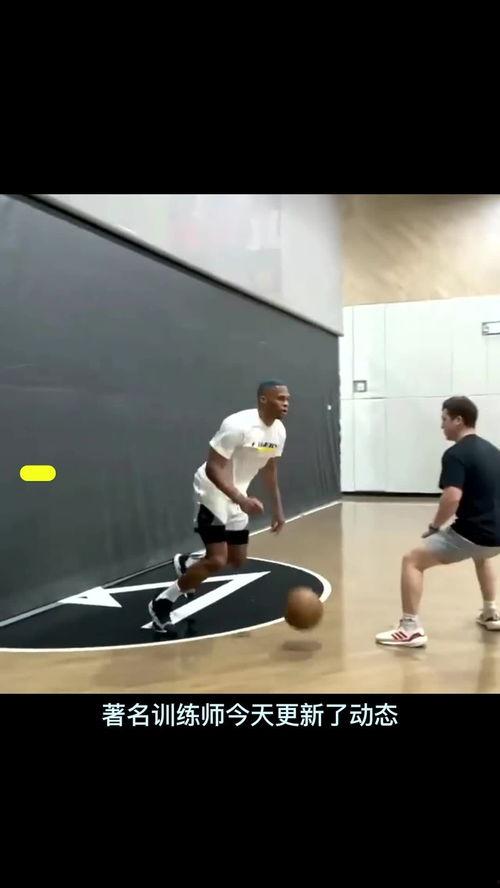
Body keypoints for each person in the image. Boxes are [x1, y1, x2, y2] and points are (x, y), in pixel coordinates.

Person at [149, 381, 290, 633]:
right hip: (212, 491)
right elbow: (213, 469)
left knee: (237, 560)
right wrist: (241, 499)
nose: (286, 403)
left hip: (238, 494)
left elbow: (270, 470)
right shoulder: (237, 425)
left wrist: (277, 508)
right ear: (263, 399)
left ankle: (188, 563)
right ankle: (161, 603)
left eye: (287, 399)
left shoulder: (278, 431)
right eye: (280, 398)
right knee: (217, 559)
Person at [376, 396, 500, 648]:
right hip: (496, 537)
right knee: (482, 556)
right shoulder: (493, 451)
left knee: (412, 561)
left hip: (473, 535)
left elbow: (452, 497)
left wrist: (434, 527)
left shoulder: (455, 454)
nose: (441, 425)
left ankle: (410, 629)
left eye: (444, 419)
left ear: (458, 420)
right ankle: (491, 612)